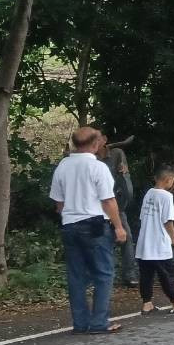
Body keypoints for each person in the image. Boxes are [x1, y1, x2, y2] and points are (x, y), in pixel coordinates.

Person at [51, 126, 127, 334]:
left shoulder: (62, 166)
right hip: (94, 224)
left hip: (69, 224)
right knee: (103, 273)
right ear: (95, 144)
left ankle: (80, 323)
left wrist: (69, 215)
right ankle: (99, 322)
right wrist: (119, 226)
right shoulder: (98, 168)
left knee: (76, 276)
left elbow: (58, 203)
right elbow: (108, 200)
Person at [136, 168, 174, 316]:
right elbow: (167, 221)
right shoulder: (166, 196)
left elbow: (142, 217)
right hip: (159, 243)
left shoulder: (149, 193)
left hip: (144, 243)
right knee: (167, 274)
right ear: (168, 180)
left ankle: (147, 303)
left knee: (146, 275)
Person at [100, 133, 137, 288]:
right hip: (94, 207)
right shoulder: (88, 157)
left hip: (114, 203)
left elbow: (124, 180)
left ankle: (130, 273)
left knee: (126, 237)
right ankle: (102, 274)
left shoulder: (116, 154)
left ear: (104, 139)